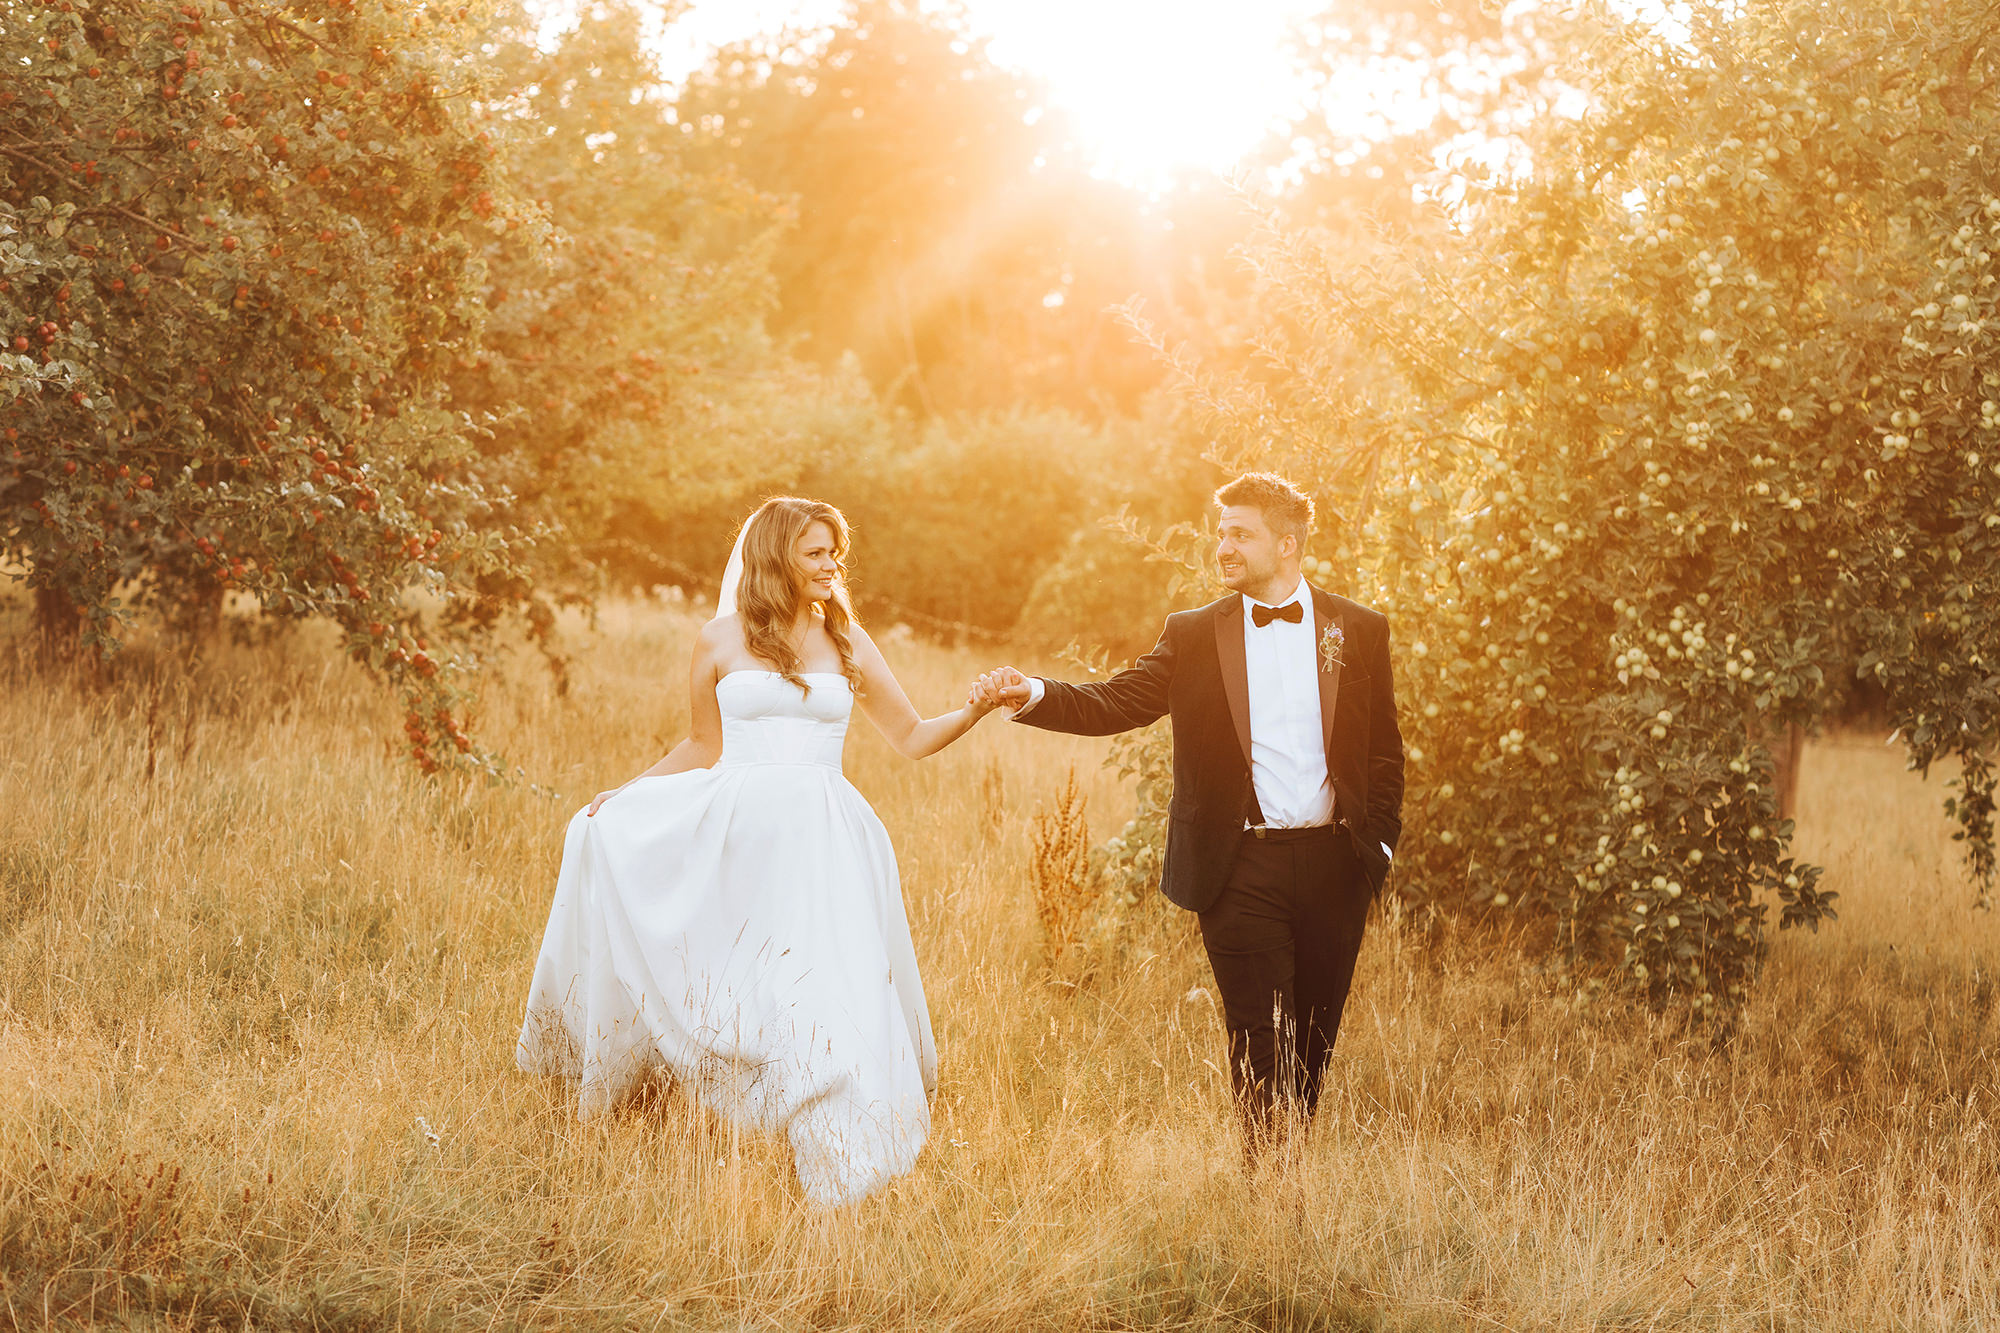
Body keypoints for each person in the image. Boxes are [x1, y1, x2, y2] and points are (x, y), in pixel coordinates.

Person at [516, 496, 1002, 1207]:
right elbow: (702, 745)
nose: (832, 563)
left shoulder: (848, 643)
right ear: (776, 556)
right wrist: (620, 794)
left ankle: (844, 1156)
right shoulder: (718, 639)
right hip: (737, 835)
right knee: (741, 976)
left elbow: (913, 736)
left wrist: (977, 709)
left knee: (828, 983)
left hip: (824, 839)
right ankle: (702, 1100)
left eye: (835, 551)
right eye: (815, 551)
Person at [977, 472, 1404, 1160]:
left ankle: (1290, 1174)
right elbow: (1115, 701)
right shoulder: (1195, 634)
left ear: (1287, 544)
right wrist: (1030, 691)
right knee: (1262, 1037)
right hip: (1238, 869)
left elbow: (1384, 750)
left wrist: (1375, 848)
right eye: (1221, 531)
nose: (1223, 545)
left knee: (1314, 1042)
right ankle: (1270, 1193)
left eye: (1240, 533)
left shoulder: (1356, 629)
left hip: (1336, 868)